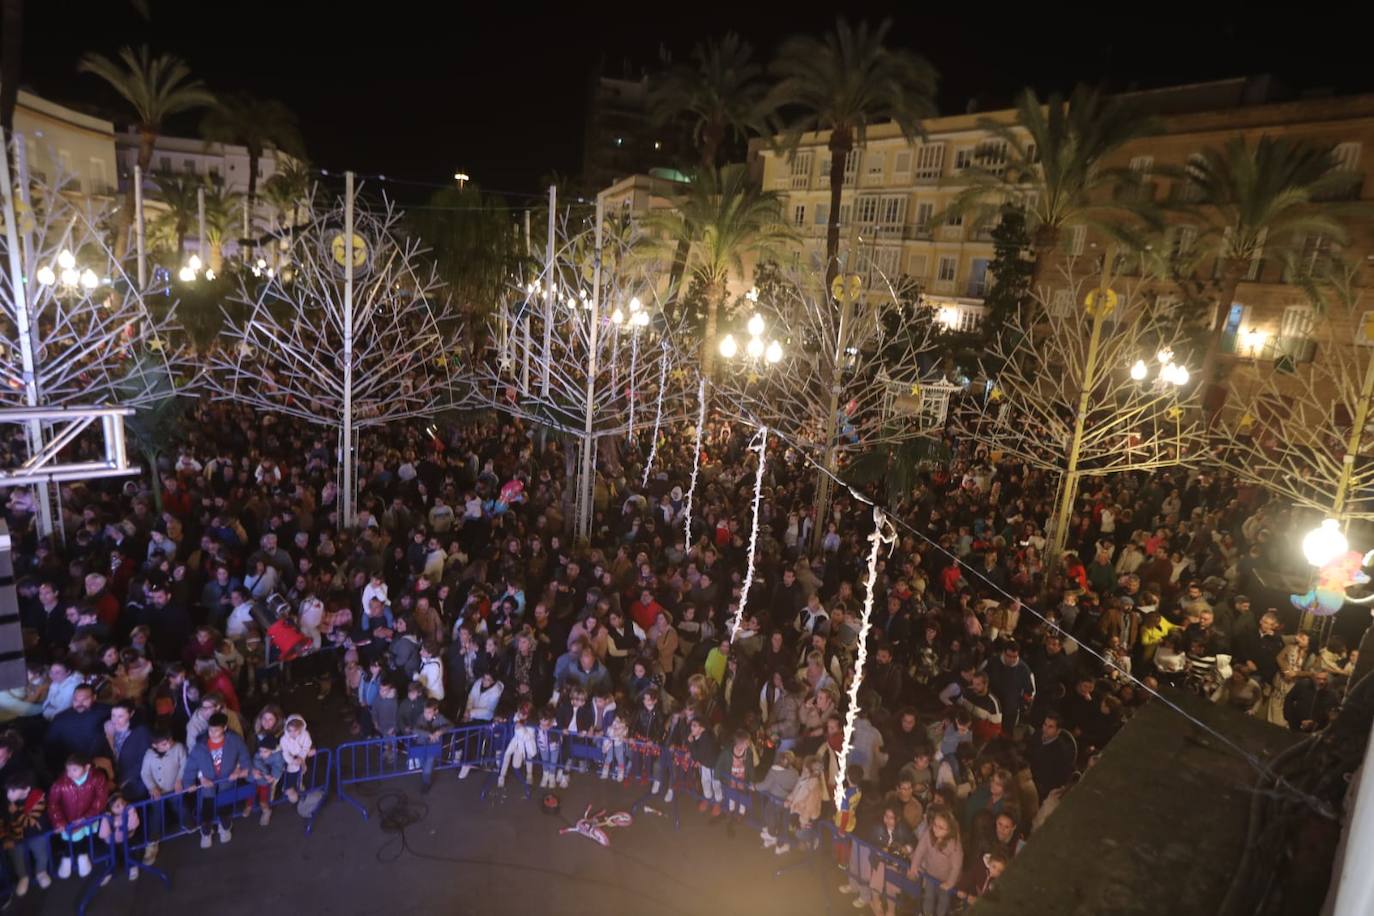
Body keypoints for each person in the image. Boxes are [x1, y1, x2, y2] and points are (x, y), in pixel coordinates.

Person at [181, 713, 251, 848]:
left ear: (224, 728)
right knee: (206, 811)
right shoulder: (200, 744)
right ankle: (206, 832)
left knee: (225, 808)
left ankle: (225, 827)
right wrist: (192, 782)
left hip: (227, 782)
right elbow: (191, 765)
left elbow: (244, 755)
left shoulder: (234, 740)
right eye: (210, 729)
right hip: (207, 786)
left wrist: (240, 769)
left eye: (216, 730)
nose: (212, 733)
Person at [46, 753, 110, 879]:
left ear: (86, 767)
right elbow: (53, 804)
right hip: (68, 820)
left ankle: (82, 856)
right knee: (69, 840)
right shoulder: (60, 783)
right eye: (68, 769)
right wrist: (59, 821)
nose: (70, 773)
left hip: (88, 818)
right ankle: (67, 857)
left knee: (86, 837)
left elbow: (100, 799)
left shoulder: (97, 778)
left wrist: (88, 816)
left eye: (74, 769)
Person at [138, 728, 185, 865]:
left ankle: (190, 824)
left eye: (170, 741)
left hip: (174, 788)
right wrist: (152, 787)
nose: (169, 745)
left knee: (181, 807)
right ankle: (152, 842)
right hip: (158, 791)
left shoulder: (178, 748)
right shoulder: (149, 755)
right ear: (154, 745)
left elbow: (184, 764)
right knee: (156, 815)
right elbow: (145, 773)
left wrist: (179, 780)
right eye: (164, 744)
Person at [3, 773, 52, 895]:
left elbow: (30, 822)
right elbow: (4, 820)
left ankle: (41, 872)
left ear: (26, 789)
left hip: (35, 832)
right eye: (8, 790)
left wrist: (15, 813)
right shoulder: (7, 801)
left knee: (41, 852)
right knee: (16, 856)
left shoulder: (37, 798)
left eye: (13, 790)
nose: (9, 793)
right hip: (15, 835)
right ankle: (23, 877)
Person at [907, 808, 963, 916]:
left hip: (946, 879)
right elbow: (920, 850)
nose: (936, 829)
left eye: (941, 828)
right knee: (928, 896)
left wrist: (950, 883)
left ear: (949, 830)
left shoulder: (954, 844)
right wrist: (914, 865)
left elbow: (956, 866)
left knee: (943, 901)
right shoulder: (929, 833)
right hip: (930, 874)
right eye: (935, 825)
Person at [409, 698, 452, 793]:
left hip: (433, 745)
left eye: (429, 712)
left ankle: (426, 783)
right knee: (423, 762)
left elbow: (450, 725)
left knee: (428, 763)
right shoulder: (421, 717)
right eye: (425, 712)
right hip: (421, 744)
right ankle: (425, 777)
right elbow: (415, 729)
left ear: (436, 711)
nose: (426, 715)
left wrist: (440, 731)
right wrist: (429, 734)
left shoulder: (440, 717)